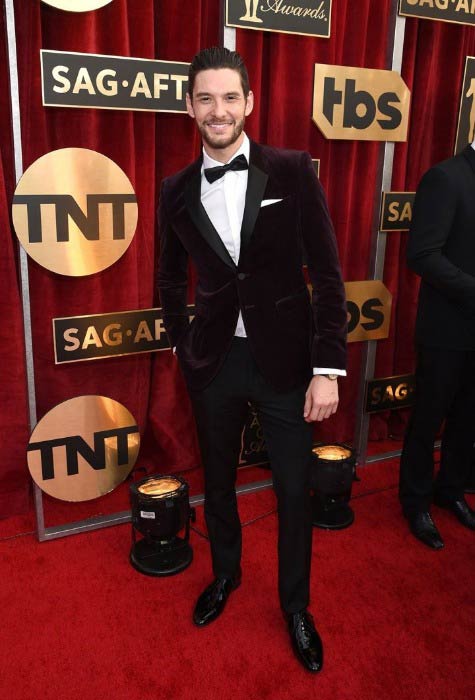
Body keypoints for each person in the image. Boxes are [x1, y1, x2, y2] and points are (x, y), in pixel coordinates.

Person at [157, 47, 347, 673]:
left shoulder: (293, 171)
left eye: (229, 97)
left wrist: (328, 368)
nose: (218, 110)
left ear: (250, 102)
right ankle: (226, 575)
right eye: (205, 98)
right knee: (218, 486)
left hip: (286, 363)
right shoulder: (175, 190)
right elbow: (169, 282)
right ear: (190, 106)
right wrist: (186, 348)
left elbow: (325, 272)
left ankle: (296, 606)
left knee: (293, 489)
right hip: (214, 364)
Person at [399, 143, 475, 549]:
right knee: (428, 419)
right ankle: (415, 503)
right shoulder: (445, 178)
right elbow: (423, 255)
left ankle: (451, 491)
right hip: (445, 330)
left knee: (468, 418)